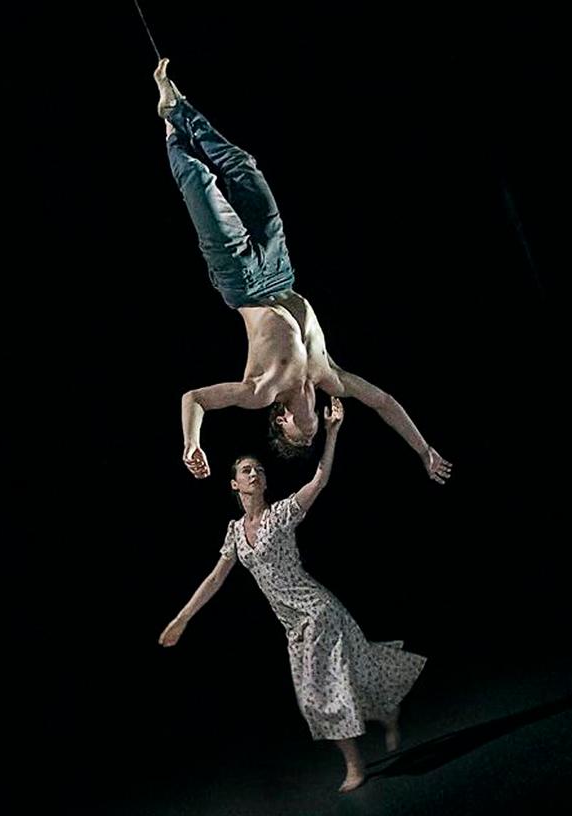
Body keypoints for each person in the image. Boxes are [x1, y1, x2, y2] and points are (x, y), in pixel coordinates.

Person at [153, 58, 453, 485]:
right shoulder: (330, 375)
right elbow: (384, 402)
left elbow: (195, 398)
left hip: (243, 281)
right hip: (280, 270)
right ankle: (178, 106)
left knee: (201, 185)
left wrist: (191, 442)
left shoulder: (262, 390)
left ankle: (170, 127)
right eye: (306, 441)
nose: (305, 436)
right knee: (245, 169)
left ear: (281, 423)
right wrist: (424, 449)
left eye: (296, 439)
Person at [159, 398, 427, 792]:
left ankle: (355, 765)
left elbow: (319, 480)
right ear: (234, 484)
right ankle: (387, 715)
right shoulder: (235, 533)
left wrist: (332, 433)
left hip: (319, 612)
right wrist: (181, 619)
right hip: (294, 627)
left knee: (326, 689)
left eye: (259, 469)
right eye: (247, 470)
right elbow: (215, 579)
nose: (255, 473)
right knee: (337, 683)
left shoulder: (281, 514)